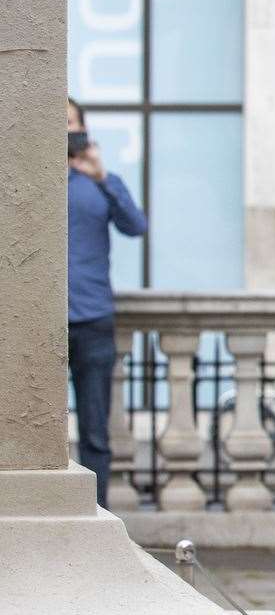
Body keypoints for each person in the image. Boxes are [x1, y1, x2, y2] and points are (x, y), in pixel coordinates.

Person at [66, 98, 147, 508]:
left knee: (95, 429)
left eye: (69, 122)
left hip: (92, 318)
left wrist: (101, 177)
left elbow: (136, 226)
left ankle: (95, 515)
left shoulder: (101, 181)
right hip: (32, 323)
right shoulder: (22, 180)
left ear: (82, 129)